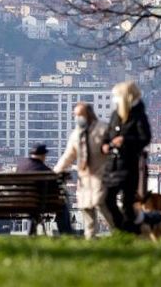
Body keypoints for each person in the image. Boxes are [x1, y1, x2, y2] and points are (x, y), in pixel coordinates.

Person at [53, 102, 114, 239]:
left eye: (80, 115)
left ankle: (117, 233)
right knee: (86, 207)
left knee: (102, 204)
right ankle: (90, 236)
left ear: (88, 115)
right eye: (75, 115)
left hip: (101, 174)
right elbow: (68, 156)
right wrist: (56, 171)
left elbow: (111, 148)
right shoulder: (76, 134)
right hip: (85, 177)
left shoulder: (102, 129)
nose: (77, 118)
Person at [101, 81, 152, 234]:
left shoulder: (138, 116)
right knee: (107, 199)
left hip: (128, 165)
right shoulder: (116, 115)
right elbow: (107, 134)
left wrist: (125, 141)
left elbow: (145, 138)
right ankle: (123, 228)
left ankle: (129, 231)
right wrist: (105, 144)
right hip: (112, 165)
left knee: (127, 203)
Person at [17, 143, 73, 234]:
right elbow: (55, 188)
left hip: (21, 203)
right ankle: (66, 233)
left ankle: (32, 232)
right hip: (39, 204)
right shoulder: (43, 169)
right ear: (43, 155)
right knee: (62, 206)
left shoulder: (21, 166)